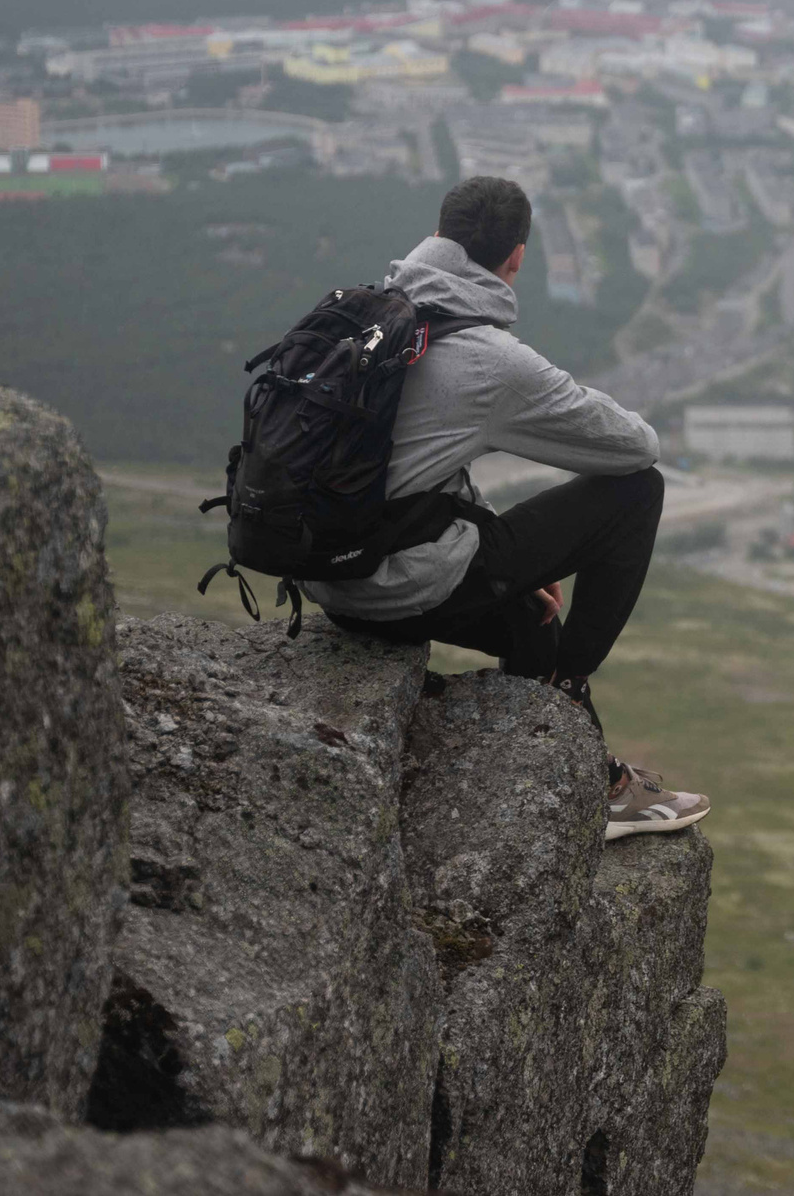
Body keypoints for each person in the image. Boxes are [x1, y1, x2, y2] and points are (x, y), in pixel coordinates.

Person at [303, 175, 708, 837]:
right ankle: (571, 693)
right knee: (640, 491)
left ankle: (575, 770)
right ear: (516, 258)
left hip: (328, 576)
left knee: (531, 615)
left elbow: (413, 472)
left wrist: (508, 559)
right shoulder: (489, 360)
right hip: (397, 588)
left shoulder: (368, 317)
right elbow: (637, 447)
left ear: (437, 236)